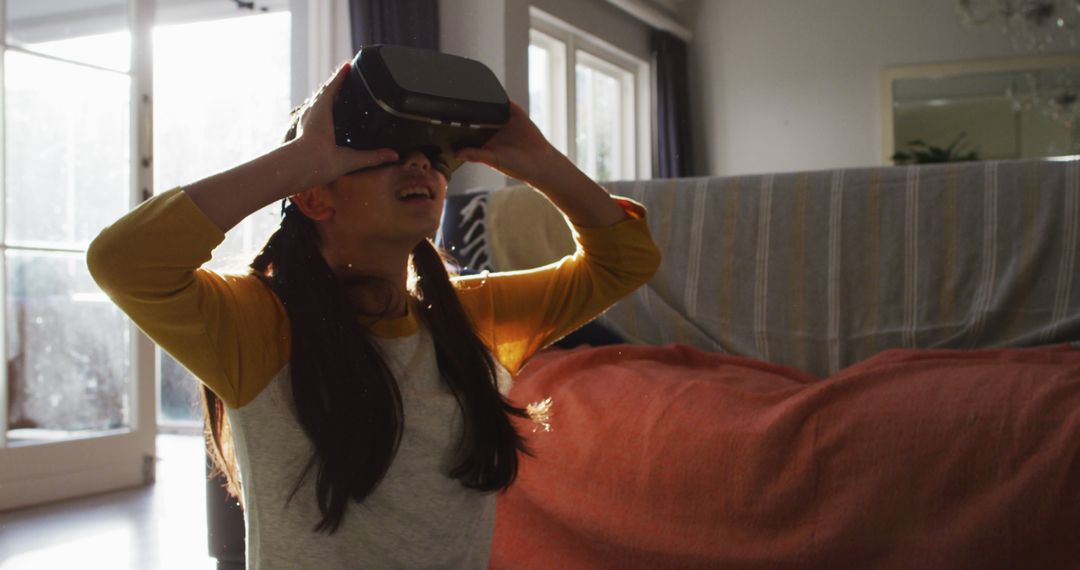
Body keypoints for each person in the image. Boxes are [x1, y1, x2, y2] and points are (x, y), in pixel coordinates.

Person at [87, 60, 661, 568]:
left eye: (433, 157)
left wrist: (541, 163)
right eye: (386, 152)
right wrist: (299, 161)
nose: (420, 165)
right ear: (315, 196)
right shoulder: (260, 325)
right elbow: (124, 261)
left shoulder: (471, 319)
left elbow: (626, 260)